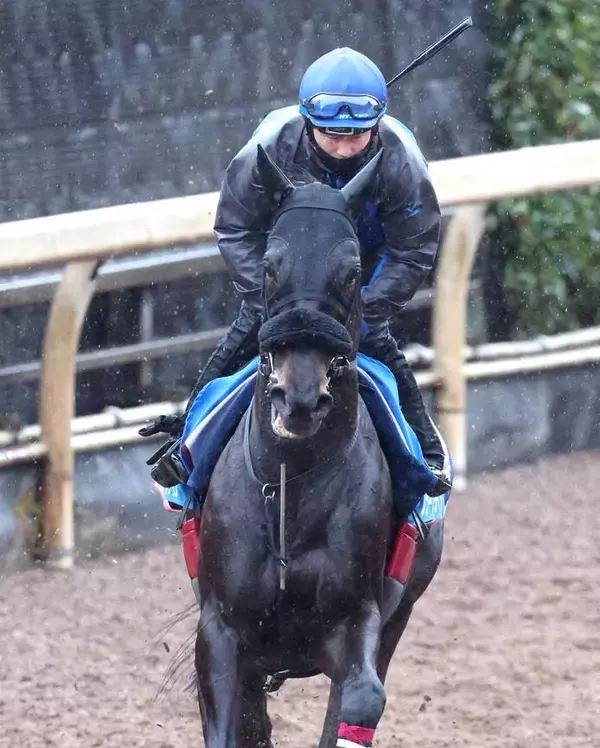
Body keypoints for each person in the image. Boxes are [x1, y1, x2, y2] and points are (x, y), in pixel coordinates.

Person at [143, 47, 452, 496]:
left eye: (358, 136)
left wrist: (363, 309)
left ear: (376, 124)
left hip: (353, 284)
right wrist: (268, 298)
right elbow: (235, 226)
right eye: (332, 135)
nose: (345, 148)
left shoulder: (400, 160)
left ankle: (427, 461)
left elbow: (414, 246)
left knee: (386, 357)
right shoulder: (267, 150)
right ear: (308, 123)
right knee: (233, 351)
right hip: (284, 283)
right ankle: (185, 453)